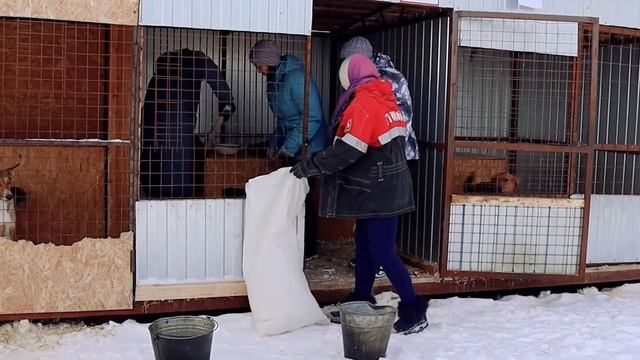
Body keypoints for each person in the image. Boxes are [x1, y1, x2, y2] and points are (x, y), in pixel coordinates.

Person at [290, 54, 428, 335]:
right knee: (365, 246)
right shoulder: (385, 97)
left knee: (382, 252)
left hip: (380, 190)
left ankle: (414, 310)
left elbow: (350, 150)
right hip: (384, 185)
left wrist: (313, 165)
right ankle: (360, 300)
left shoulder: (364, 104)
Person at [340, 36, 419, 274]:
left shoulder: (389, 78)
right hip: (373, 153)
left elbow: (399, 120)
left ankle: (381, 261)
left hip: (394, 154)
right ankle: (367, 260)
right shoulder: (361, 76)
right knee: (368, 214)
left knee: (382, 216)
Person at [249, 39, 329, 260]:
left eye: (258, 65)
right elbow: (283, 120)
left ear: (269, 61)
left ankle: (309, 248)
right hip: (294, 144)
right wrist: (275, 144)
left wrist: (289, 147)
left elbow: (312, 118)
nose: (257, 70)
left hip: (310, 147)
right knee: (291, 196)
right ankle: (294, 244)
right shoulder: (274, 80)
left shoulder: (297, 79)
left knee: (301, 197)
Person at [140, 48, 235, 199]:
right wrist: (218, 126)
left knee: (155, 176)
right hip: (178, 133)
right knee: (178, 179)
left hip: (150, 129)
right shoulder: (200, 61)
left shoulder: (163, 68)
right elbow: (227, 101)